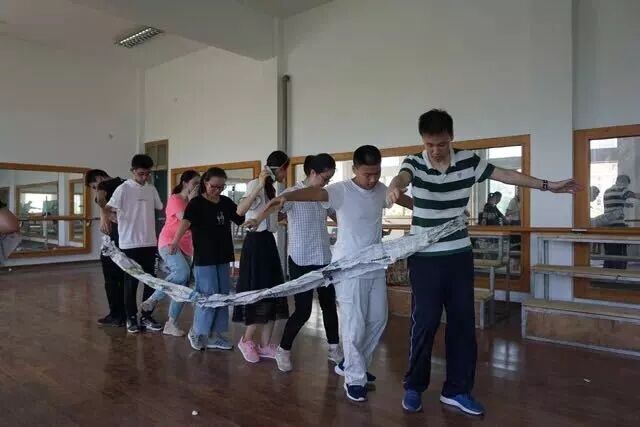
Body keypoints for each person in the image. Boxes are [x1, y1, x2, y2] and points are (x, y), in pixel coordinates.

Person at [387, 109, 580, 416]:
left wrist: (548, 185)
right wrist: (394, 186)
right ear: (423, 142)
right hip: (425, 259)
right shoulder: (414, 162)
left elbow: (507, 175)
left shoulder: (468, 161)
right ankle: (414, 386)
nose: (435, 150)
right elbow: (403, 177)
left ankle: (457, 390)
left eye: (441, 143)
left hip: (459, 256)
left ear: (452, 137)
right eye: (429, 144)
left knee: (463, 323)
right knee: (424, 322)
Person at [265, 145, 413, 402]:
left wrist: (436, 210)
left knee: (378, 319)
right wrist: (286, 198)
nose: (372, 179)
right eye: (367, 174)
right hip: (348, 267)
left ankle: (353, 364)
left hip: (374, 265)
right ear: (355, 169)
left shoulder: (381, 189)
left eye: (377, 173)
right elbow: (315, 193)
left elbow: (407, 202)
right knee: (354, 324)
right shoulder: (341, 190)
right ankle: (355, 378)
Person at [245, 153, 342, 372]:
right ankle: (284, 349)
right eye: (324, 178)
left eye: (329, 179)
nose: (326, 183)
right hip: (301, 259)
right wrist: (257, 219)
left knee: (329, 305)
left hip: (324, 258)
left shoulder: (323, 195)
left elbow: (337, 215)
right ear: (313, 173)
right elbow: (273, 206)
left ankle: (334, 348)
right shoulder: (292, 193)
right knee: (303, 310)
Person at [169, 167, 245, 350]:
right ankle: (197, 332)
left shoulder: (225, 202)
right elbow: (185, 222)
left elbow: (239, 217)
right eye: (213, 186)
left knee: (222, 296)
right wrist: (175, 241)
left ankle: (215, 335)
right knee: (208, 296)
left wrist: (254, 195)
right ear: (205, 182)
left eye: (221, 187)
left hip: (223, 255)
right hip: (204, 257)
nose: (217, 190)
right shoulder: (196, 203)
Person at [233, 151, 291, 362]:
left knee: (272, 292)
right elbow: (240, 211)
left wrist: (280, 217)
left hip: (267, 242)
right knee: (257, 292)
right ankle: (246, 340)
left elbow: (268, 215)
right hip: (255, 244)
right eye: (285, 169)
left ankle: (266, 345)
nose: (285, 174)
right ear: (281, 168)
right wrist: (258, 185)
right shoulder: (255, 185)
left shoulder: (272, 188)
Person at [106, 154, 164, 334]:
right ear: (132, 171)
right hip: (129, 243)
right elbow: (108, 209)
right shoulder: (123, 189)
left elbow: (159, 207)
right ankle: (130, 317)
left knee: (150, 281)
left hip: (149, 241)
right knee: (131, 282)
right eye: (141, 174)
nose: (144, 177)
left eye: (147, 174)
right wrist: (113, 217)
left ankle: (146, 315)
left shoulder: (151, 189)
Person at [139, 170, 200, 336]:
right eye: (194, 183)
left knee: (181, 286)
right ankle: (153, 299)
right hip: (169, 242)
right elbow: (188, 221)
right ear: (185, 183)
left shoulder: (194, 201)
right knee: (182, 273)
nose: (197, 186)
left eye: (199, 183)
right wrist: (193, 201)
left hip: (186, 246)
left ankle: (171, 324)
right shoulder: (175, 199)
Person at [85, 169, 126, 327]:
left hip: (115, 240)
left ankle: (116, 315)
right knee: (124, 279)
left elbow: (100, 200)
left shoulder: (105, 185)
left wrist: (105, 212)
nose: (96, 189)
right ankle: (126, 314)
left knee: (112, 280)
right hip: (128, 239)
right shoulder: (126, 183)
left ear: (99, 178)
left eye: (94, 186)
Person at [602, 175, 638, 269]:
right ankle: (619, 273)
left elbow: (614, 202)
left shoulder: (607, 191)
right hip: (617, 226)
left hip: (606, 225)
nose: (627, 186)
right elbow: (633, 195)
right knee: (620, 252)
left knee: (609, 252)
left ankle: (607, 273)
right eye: (627, 184)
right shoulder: (622, 188)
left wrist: (625, 204)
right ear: (624, 181)